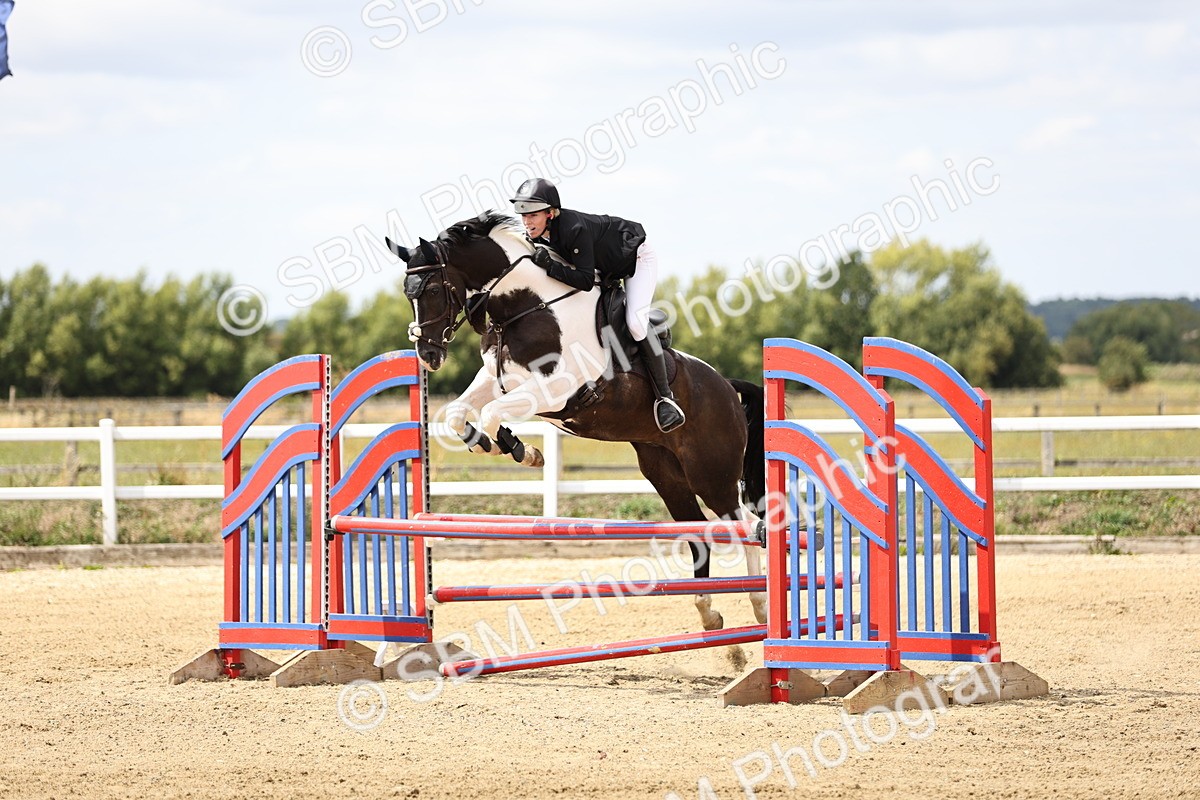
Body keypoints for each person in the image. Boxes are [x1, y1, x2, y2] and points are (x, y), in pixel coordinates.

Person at [510, 178, 685, 433]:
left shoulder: (573, 229)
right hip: (605, 265)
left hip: (635, 258)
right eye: (523, 215)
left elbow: (582, 280)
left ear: (550, 213)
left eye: (533, 215)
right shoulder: (538, 233)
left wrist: (549, 265)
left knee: (636, 324)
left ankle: (665, 398)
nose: (527, 222)